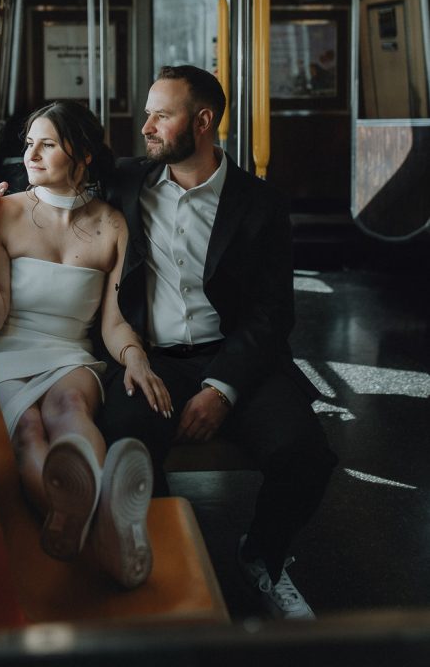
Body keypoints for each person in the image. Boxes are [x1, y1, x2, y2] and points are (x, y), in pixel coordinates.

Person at [96, 65, 338, 619]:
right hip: (150, 357)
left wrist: (222, 388)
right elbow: (49, 178)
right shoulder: (125, 183)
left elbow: (274, 311)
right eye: (148, 111)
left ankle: (262, 557)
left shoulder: (262, 204)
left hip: (235, 356)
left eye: (162, 114)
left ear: (202, 122)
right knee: (123, 438)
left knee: (304, 453)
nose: (146, 126)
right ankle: (155, 561)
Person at [0, 100, 172, 589]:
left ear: (84, 154)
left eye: (47, 144)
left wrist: (136, 359)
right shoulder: (3, 213)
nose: (31, 154)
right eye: (29, 143)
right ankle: (100, 527)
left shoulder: (111, 225)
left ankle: (80, 516)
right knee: (29, 430)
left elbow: (114, 325)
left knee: (68, 406)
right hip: (2, 349)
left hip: (69, 353)